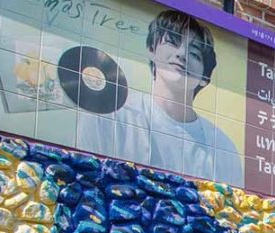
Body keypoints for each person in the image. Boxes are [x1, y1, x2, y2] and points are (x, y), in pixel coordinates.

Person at [78, 10, 243, 186]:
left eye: (195, 54)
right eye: (172, 42)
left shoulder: (223, 149)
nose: (181, 54)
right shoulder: (110, 118)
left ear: (205, 78)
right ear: (151, 50)